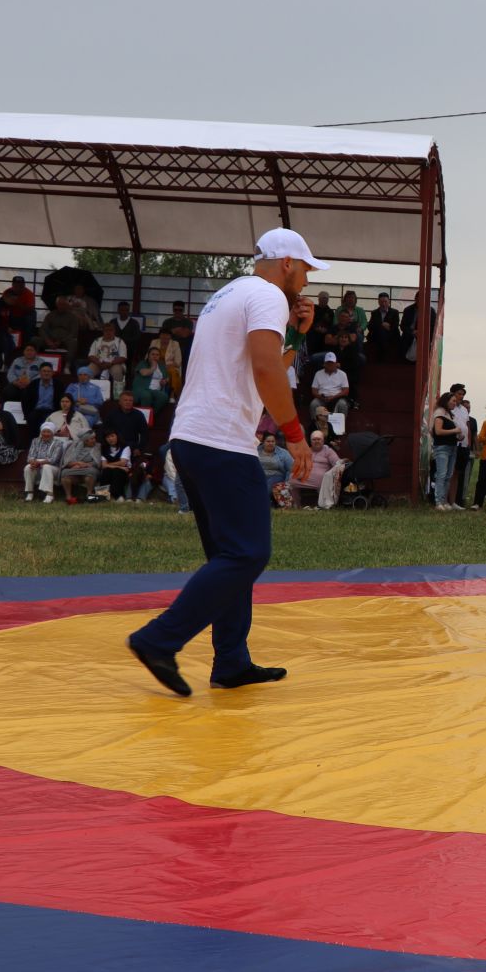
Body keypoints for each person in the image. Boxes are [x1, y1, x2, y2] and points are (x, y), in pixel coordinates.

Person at [126, 227, 323, 698]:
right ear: (288, 264)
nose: (308, 281)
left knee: (230, 555)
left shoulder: (229, 293)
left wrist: (296, 332)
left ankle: (231, 661)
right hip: (222, 442)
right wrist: (294, 436)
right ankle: (158, 639)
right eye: (307, 269)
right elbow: (266, 368)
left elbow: (263, 363)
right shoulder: (268, 295)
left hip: (192, 438)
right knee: (246, 553)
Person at [291, 431, 343, 508]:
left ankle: (321, 505)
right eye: (314, 439)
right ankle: (297, 505)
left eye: (319, 439)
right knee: (292, 480)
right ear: (310, 441)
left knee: (321, 480)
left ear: (323, 441)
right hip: (304, 477)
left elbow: (337, 464)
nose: (316, 441)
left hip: (321, 480)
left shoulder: (328, 451)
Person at [429, 390, 461, 510]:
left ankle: (444, 500)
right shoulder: (439, 413)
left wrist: (458, 436)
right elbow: (438, 431)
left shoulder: (449, 414)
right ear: (446, 401)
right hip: (442, 448)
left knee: (448, 475)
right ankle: (438, 502)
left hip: (452, 447)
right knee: (441, 474)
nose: (454, 403)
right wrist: (455, 431)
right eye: (453, 401)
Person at [57, 429, 105, 504]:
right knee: (64, 473)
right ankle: (68, 497)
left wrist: (84, 465)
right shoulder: (73, 446)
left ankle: (89, 495)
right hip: (74, 469)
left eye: (94, 438)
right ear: (85, 441)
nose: (94, 440)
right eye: (91, 439)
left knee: (91, 472)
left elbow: (97, 463)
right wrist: (77, 463)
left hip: (89, 468)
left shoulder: (97, 446)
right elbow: (66, 462)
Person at [23, 422, 65, 502]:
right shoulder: (35, 441)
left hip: (53, 468)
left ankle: (49, 494)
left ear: (52, 433)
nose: (46, 434)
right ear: (41, 432)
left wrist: (39, 463)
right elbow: (30, 456)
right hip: (37, 465)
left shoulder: (58, 443)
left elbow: (53, 459)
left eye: (48, 432)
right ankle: (30, 493)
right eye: (44, 432)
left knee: (46, 467)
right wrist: (32, 462)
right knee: (28, 467)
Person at [88, 322, 128, 394]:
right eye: (106, 330)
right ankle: (90, 393)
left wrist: (111, 363)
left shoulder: (119, 341)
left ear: (114, 331)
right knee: (88, 371)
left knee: (117, 372)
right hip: (99, 363)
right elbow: (91, 355)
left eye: (111, 330)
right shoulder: (97, 341)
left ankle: (118, 395)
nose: (108, 332)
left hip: (115, 364)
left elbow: (123, 357)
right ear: (103, 331)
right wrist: (99, 363)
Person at [98, 425, 135, 501]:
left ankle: (119, 496)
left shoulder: (125, 447)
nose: (110, 439)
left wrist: (110, 465)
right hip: (114, 469)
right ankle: (102, 496)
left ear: (117, 436)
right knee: (106, 472)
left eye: (112, 436)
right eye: (108, 437)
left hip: (125, 471)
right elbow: (104, 466)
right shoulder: (104, 449)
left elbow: (123, 463)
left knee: (117, 472)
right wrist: (118, 466)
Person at [310, 351, 351, 419]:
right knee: (314, 404)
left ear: (336, 364)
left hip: (337, 399)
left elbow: (346, 391)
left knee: (343, 404)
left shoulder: (342, 374)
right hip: (322, 399)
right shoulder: (318, 373)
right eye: (328, 363)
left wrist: (333, 397)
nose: (330, 365)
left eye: (332, 363)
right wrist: (321, 397)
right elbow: (314, 391)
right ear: (324, 364)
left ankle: (340, 429)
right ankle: (316, 427)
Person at [367, 292, 403, 361]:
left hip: (391, 334)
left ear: (389, 302)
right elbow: (370, 326)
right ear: (378, 302)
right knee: (381, 332)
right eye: (381, 302)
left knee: (382, 333)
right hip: (377, 334)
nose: (383, 304)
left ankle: (381, 356)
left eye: (385, 301)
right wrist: (382, 324)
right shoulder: (374, 312)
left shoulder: (395, 312)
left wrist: (381, 326)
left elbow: (395, 326)